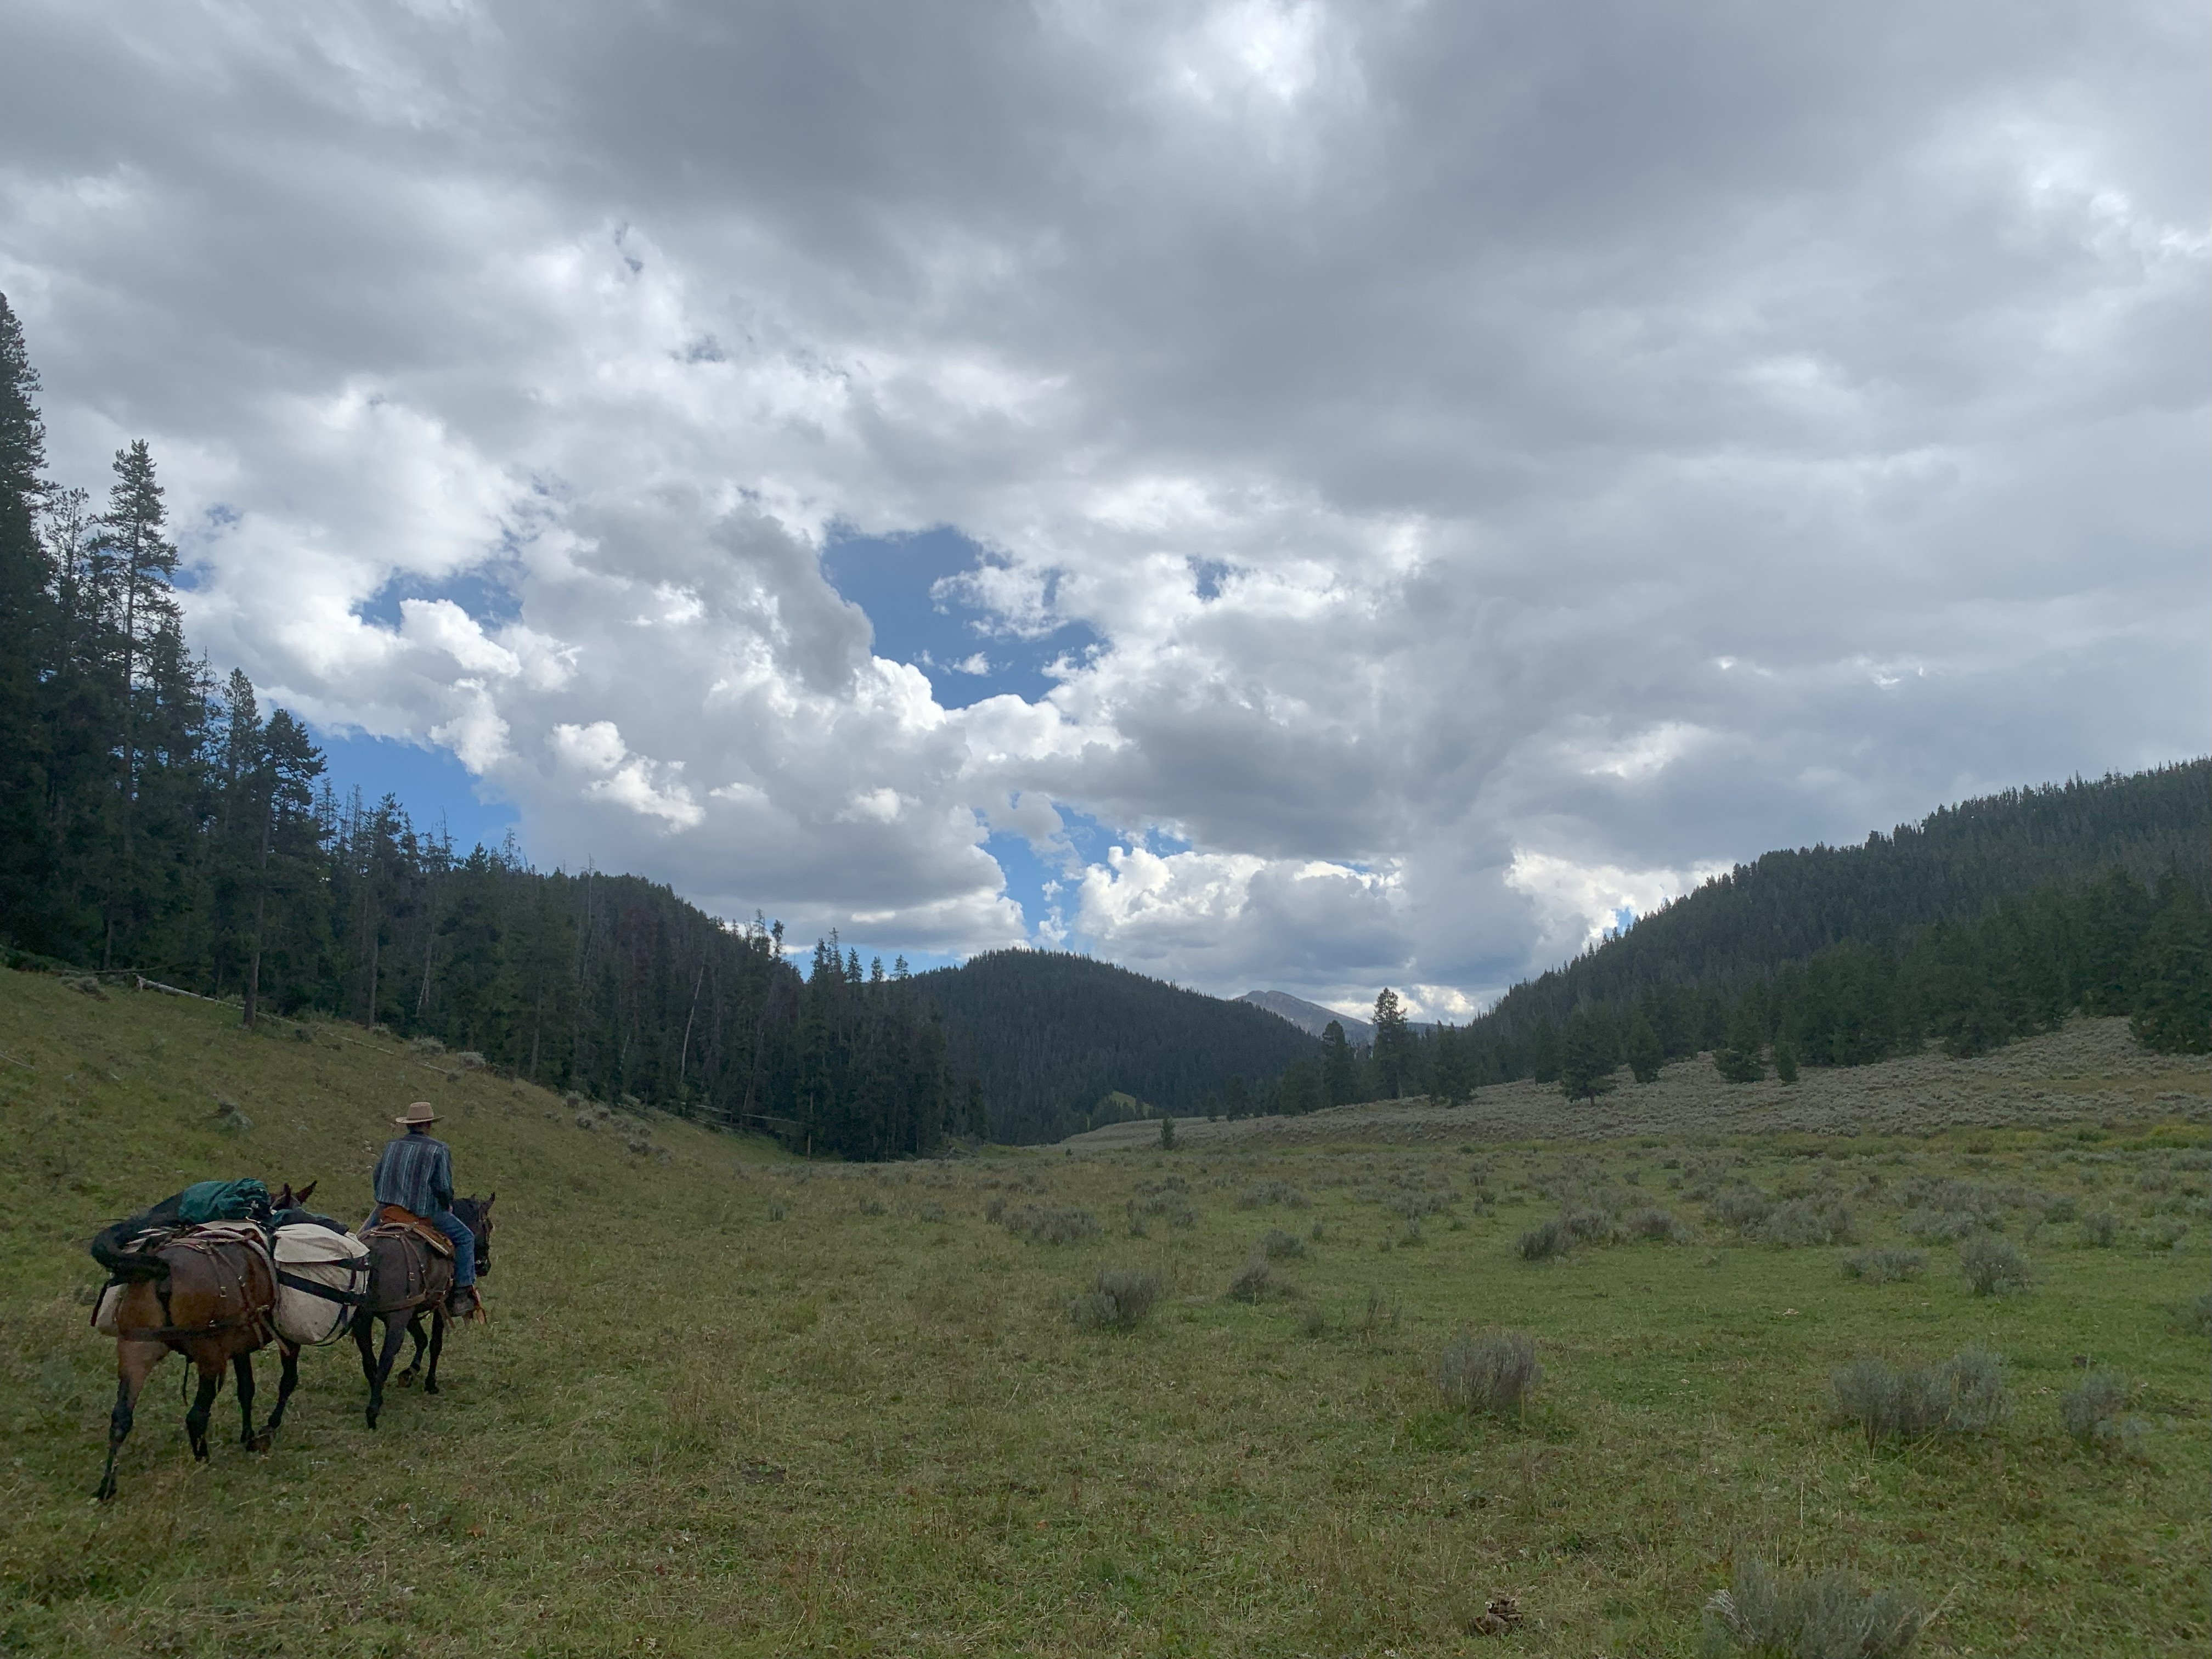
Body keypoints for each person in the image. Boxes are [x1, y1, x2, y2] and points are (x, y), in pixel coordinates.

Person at [369, 1101, 478, 1316]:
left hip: (389, 1210)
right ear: (428, 1124)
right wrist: (447, 1204)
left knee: (359, 1240)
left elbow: (377, 1176)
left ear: (409, 1124)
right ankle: (461, 1295)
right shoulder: (439, 1149)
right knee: (466, 1239)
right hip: (426, 1213)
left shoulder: (392, 1146)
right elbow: (443, 1187)